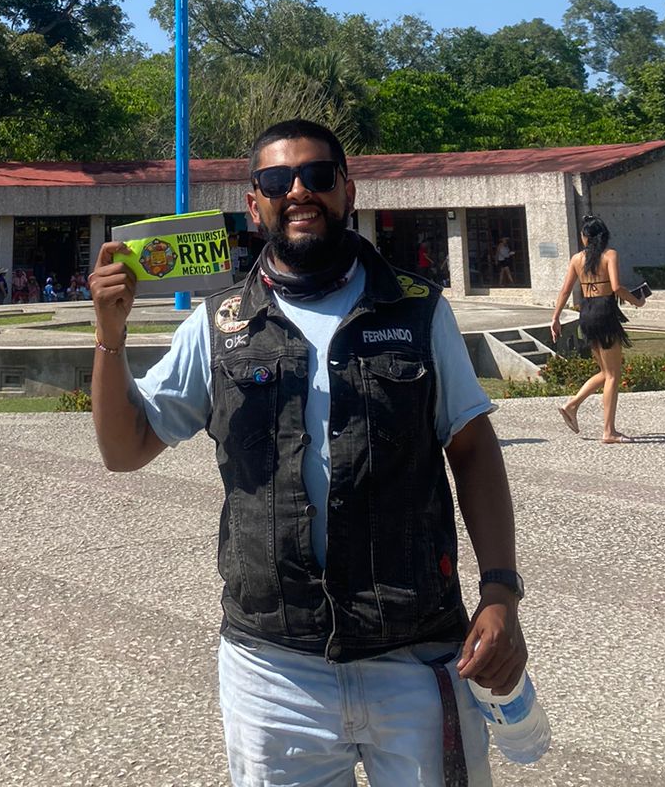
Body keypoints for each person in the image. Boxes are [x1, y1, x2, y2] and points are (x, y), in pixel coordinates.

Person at [91, 118, 527, 787]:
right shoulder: (219, 326)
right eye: (275, 180)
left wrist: (500, 593)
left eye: (317, 177)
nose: (298, 191)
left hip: (415, 652)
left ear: (347, 191)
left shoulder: (417, 312)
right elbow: (125, 451)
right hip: (273, 668)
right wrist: (109, 339)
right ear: (254, 203)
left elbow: (472, 449)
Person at [550, 214, 645, 444]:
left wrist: (555, 318)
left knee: (605, 371)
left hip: (587, 313)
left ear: (586, 237)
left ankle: (572, 405)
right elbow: (616, 287)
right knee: (613, 374)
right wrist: (637, 301)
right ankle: (608, 431)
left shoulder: (576, 259)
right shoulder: (609, 255)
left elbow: (565, 291)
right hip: (604, 312)